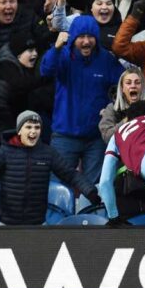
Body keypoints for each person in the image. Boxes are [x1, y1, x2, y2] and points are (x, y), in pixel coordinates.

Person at [0, 111, 99, 225]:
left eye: (37, 127)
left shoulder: (48, 153)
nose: (33, 131)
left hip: (37, 223)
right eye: (28, 127)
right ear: (19, 130)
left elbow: (70, 174)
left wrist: (90, 191)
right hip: (6, 223)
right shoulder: (5, 151)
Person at [40, 15, 124, 184]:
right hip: (65, 136)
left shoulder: (106, 59)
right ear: (73, 38)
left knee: (96, 188)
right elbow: (46, 71)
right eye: (81, 37)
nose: (86, 42)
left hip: (96, 138)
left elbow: (124, 86)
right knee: (58, 186)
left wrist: (112, 109)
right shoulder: (63, 56)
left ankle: (92, 212)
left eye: (90, 37)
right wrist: (55, 48)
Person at [99, 67, 145, 143]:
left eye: (137, 82)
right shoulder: (112, 108)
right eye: (128, 83)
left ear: (142, 87)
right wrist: (127, 119)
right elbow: (107, 137)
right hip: (121, 153)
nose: (133, 86)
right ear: (122, 88)